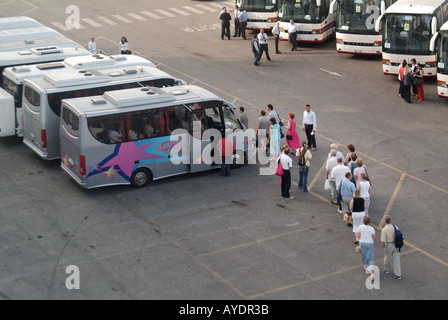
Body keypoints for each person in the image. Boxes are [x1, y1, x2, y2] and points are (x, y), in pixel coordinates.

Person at [381, 216, 402, 280]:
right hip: (396, 244)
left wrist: (382, 246)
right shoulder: (395, 226)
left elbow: (383, 240)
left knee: (387, 257)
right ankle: (398, 274)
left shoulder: (384, 229)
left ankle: (386, 269)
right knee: (397, 259)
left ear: (385, 221)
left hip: (389, 245)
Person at [356, 215, 376, 282]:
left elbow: (358, 235)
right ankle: (372, 273)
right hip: (370, 243)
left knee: (364, 256)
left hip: (362, 243)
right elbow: (374, 237)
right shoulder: (371, 228)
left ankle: (365, 266)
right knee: (371, 258)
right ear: (369, 222)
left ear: (363, 221)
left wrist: (359, 240)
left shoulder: (360, 227)